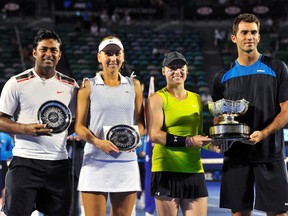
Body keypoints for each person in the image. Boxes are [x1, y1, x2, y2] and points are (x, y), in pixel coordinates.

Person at [211, 13, 288, 216]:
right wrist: (219, 137)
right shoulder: (222, 77)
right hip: (237, 157)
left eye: (254, 32)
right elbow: (218, 116)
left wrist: (263, 133)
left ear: (259, 37)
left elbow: (286, 111)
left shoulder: (277, 68)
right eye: (244, 32)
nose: (250, 37)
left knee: (278, 213)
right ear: (234, 37)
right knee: (239, 213)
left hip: (270, 154)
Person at [0, 29, 79, 215]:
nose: (49, 54)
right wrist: (24, 129)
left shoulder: (71, 86)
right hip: (25, 163)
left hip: (58, 164)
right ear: (34, 52)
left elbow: (76, 121)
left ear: (59, 55)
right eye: (44, 49)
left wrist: (63, 130)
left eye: (53, 50)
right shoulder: (16, 83)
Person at [75, 35, 145, 216]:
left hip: (126, 164)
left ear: (123, 56)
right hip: (94, 163)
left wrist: (134, 139)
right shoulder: (87, 86)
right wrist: (99, 143)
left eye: (117, 53)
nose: (113, 58)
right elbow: (79, 127)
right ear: (99, 57)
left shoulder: (134, 85)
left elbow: (140, 123)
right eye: (108, 53)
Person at [146, 51, 218, 216]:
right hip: (166, 170)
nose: (177, 71)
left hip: (194, 169)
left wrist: (214, 146)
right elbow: (155, 134)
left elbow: (198, 134)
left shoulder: (196, 99)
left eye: (180, 67)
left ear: (187, 70)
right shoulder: (157, 98)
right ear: (163, 71)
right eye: (172, 68)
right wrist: (189, 141)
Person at [0, 132, 14, 207]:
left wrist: (4, 155)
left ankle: (2, 207)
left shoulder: (6, 137)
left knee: (4, 185)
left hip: (3, 163)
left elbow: (13, 150)